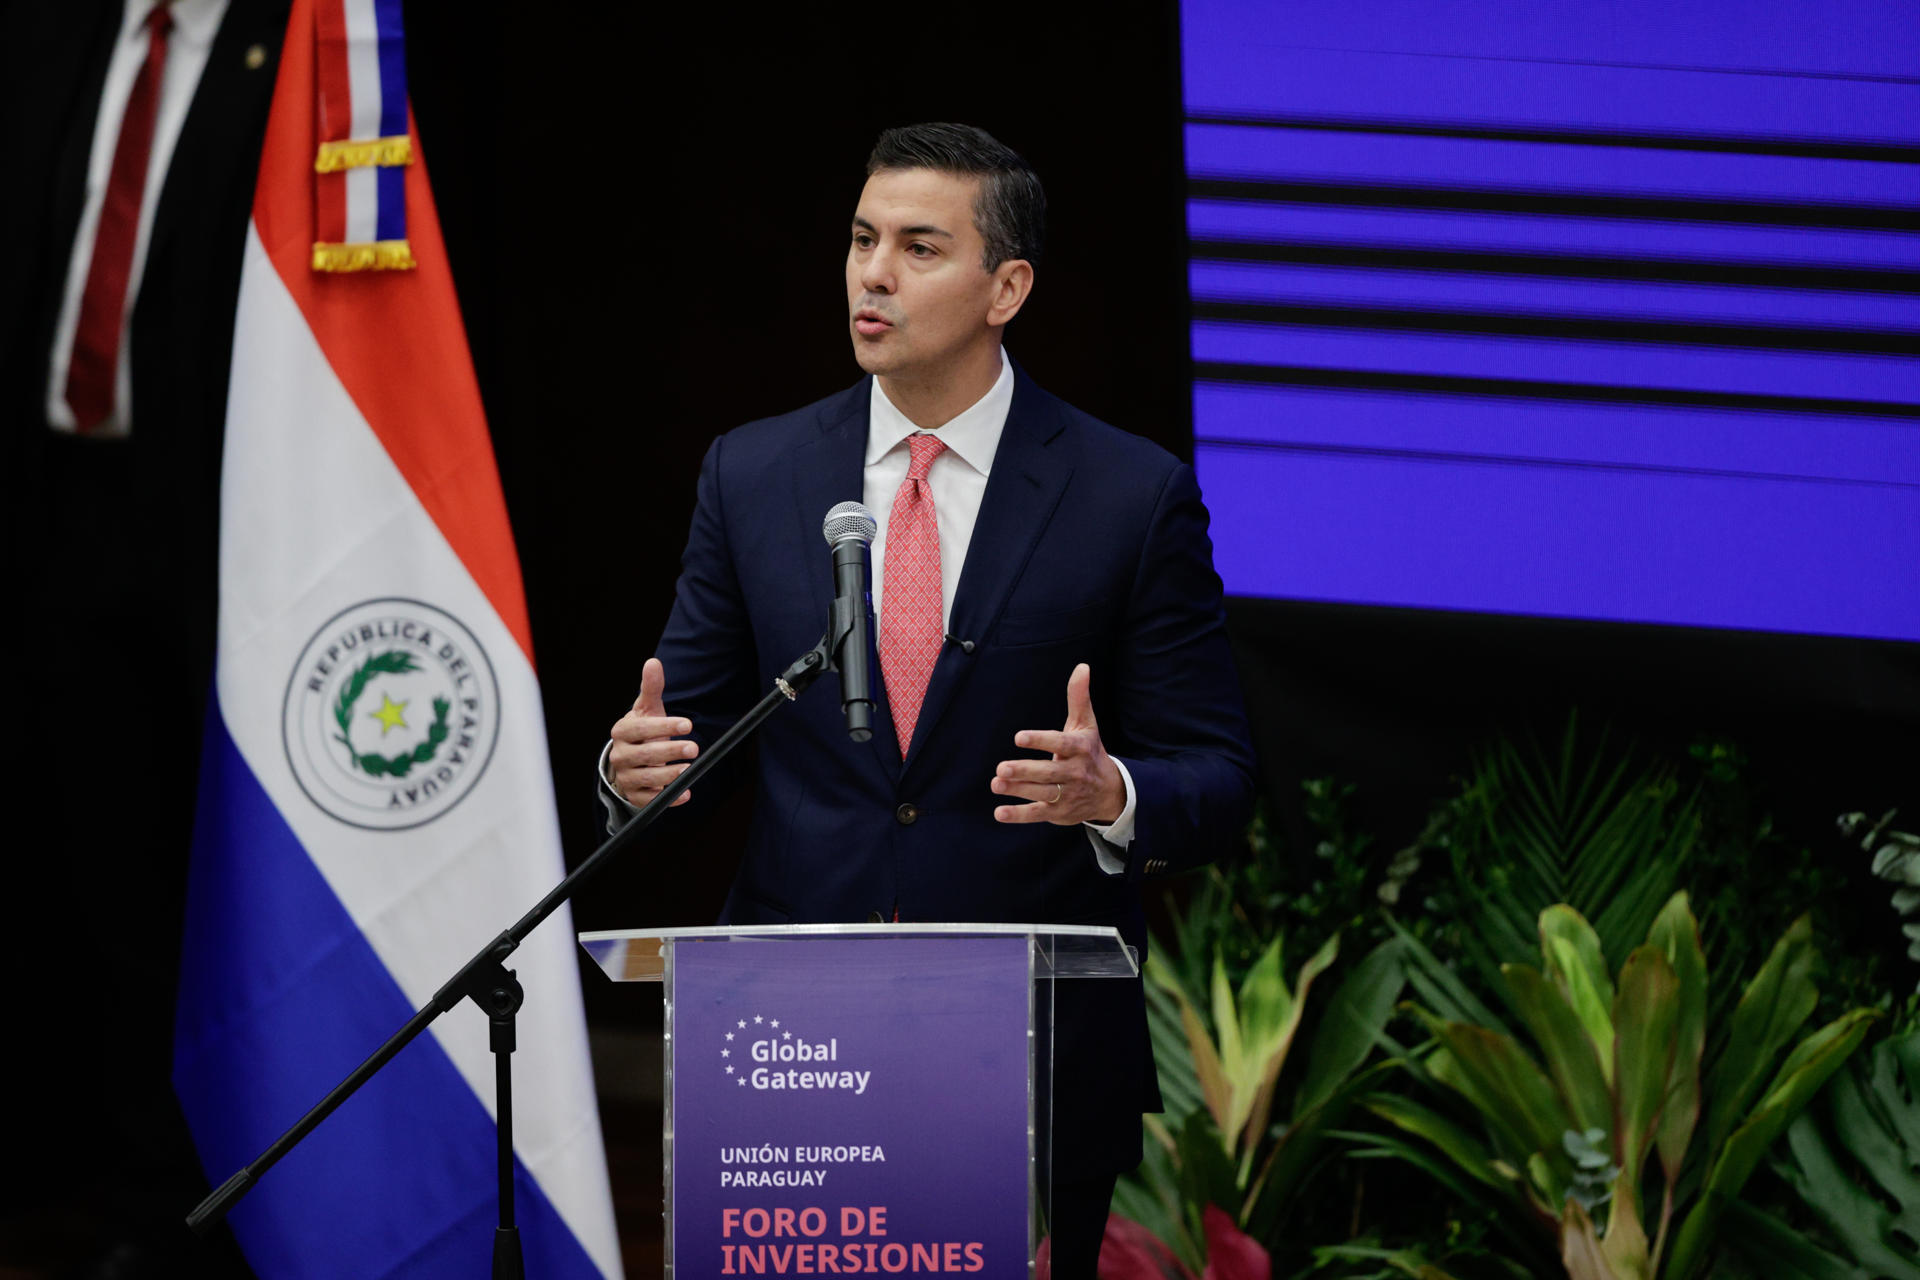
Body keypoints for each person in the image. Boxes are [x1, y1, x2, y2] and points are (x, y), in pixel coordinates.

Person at [600, 122, 1255, 1275]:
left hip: (1034, 1052)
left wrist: (1115, 793)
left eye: (917, 246)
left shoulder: (1130, 494)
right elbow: (684, 728)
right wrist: (634, 771)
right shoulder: (751, 472)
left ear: (1008, 286)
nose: (874, 274)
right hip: (791, 1040)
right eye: (861, 240)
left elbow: (1220, 775)